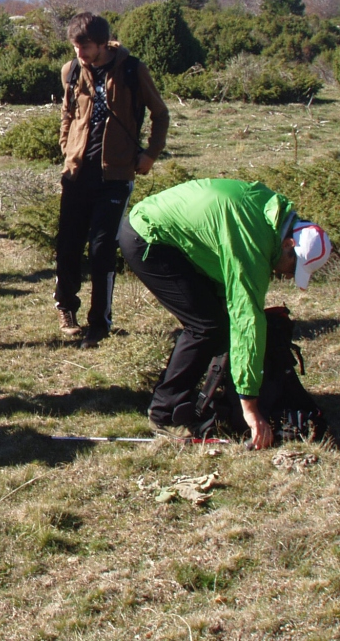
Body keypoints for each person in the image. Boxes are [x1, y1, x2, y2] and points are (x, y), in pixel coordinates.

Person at [119, 178, 332, 449]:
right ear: (290, 243)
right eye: (293, 268)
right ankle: (164, 414)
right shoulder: (255, 239)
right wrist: (251, 408)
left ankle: (208, 392)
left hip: (174, 238)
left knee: (217, 322)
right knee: (206, 326)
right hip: (148, 238)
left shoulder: (269, 216)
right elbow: (247, 321)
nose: (287, 275)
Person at [55, 12, 169, 347]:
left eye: (86, 47)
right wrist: (67, 148)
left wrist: (150, 154)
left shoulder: (133, 69)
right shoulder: (71, 70)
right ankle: (66, 308)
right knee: (68, 244)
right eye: (76, 46)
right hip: (77, 173)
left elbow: (160, 114)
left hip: (116, 175)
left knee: (103, 248)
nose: (80, 53)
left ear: (104, 43)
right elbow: (67, 112)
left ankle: (99, 323)